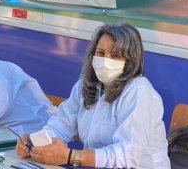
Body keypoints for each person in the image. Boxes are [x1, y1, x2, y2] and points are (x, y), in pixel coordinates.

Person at [16, 23, 170, 168]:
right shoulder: (86, 85)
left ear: (131, 60)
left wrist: (70, 156)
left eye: (115, 55)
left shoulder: (138, 90)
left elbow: (128, 153)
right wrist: (35, 141)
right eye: (101, 53)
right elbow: (61, 124)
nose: (105, 60)